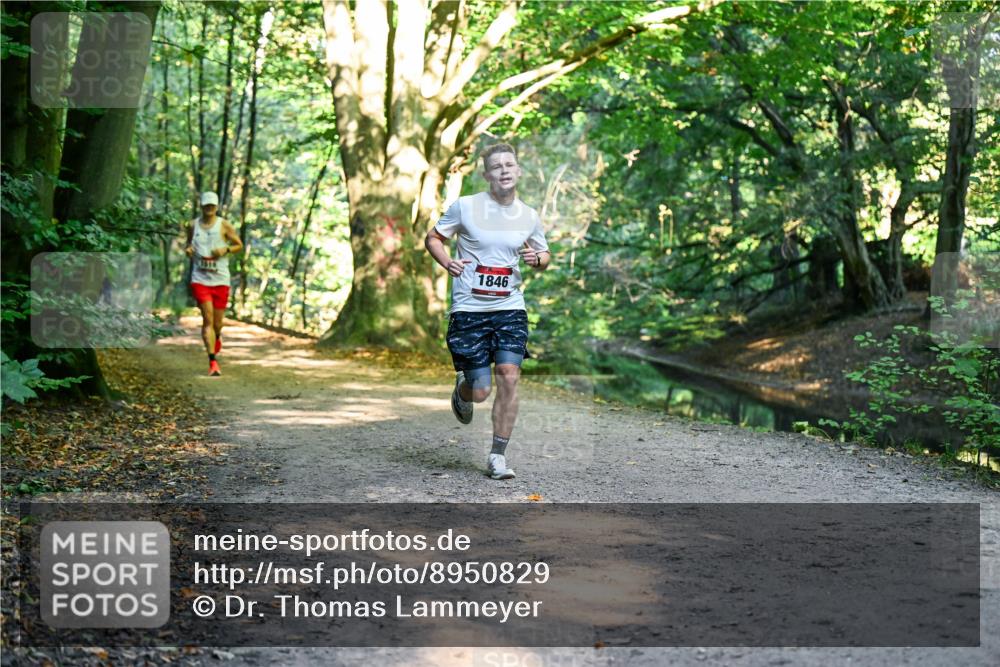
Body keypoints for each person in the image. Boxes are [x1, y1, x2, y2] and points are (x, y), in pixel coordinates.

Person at [424, 143, 551, 480]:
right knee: (480, 390)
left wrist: (537, 259)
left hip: (509, 307)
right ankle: (464, 390)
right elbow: (433, 237)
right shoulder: (466, 207)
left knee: (509, 376)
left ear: (519, 170)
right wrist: (447, 261)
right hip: (469, 308)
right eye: (496, 166)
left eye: (510, 164)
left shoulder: (528, 215)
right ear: (486, 175)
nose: (504, 170)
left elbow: (544, 254)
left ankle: (498, 456)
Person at [185, 191, 242, 376]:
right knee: (207, 319)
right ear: (201, 206)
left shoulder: (223, 225)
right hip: (200, 279)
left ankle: (216, 337)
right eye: (206, 206)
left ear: (216, 207)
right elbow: (189, 244)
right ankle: (212, 362)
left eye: (212, 206)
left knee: (218, 323)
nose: (209, 209)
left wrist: (225, 249)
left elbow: (238, 245)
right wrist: (189, 249)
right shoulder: (193, 225)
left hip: (220, 279)